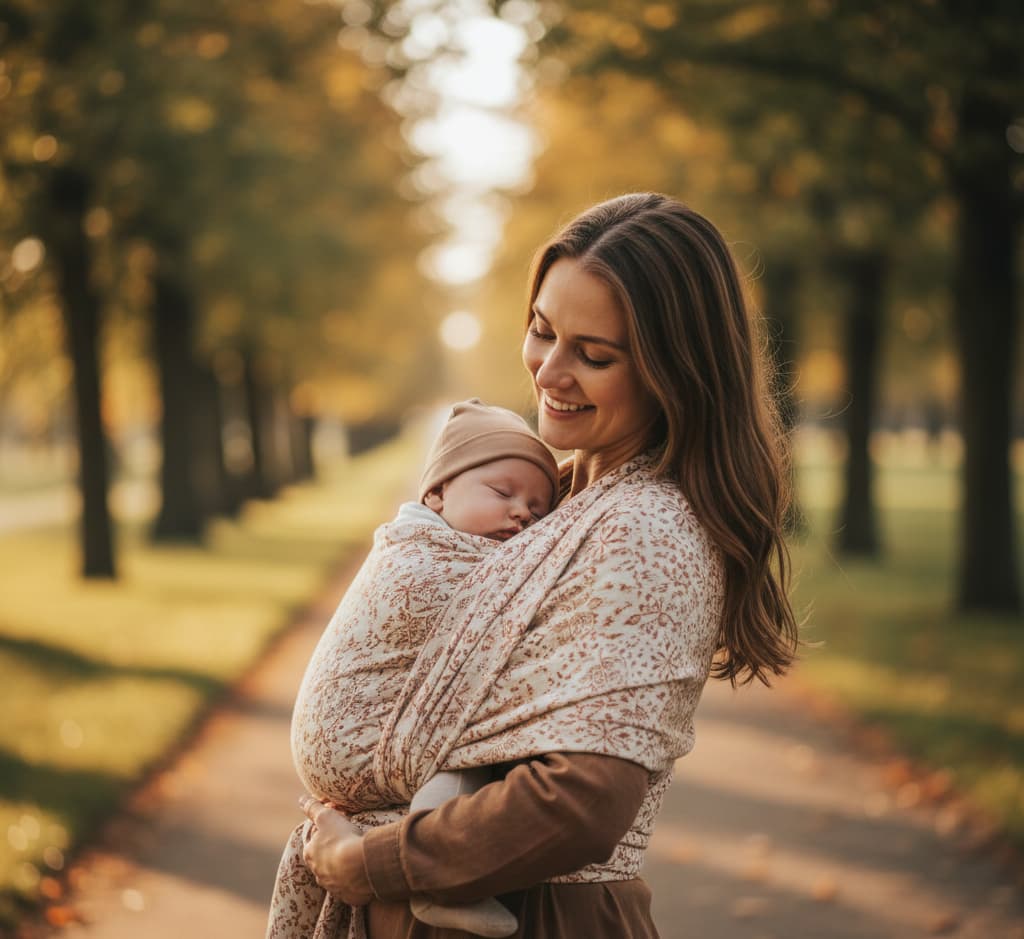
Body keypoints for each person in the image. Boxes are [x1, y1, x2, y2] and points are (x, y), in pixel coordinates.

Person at [294, 192, 799, 938]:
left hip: (535, 918)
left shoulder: (646, 531)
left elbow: (582, 801)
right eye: (542, 331)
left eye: (594, 356)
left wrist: (372, 864)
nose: (550, 371)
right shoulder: (560, 497)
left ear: (674, 372)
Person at [268, 399, 560, 938]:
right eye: (503, 493)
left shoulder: (414, 539)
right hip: (361, 739)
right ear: (437, 494)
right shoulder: (431, 557)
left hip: (338, 748)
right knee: (474, 747)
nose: (522, 513)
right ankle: (444, 887)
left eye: (539, 510)